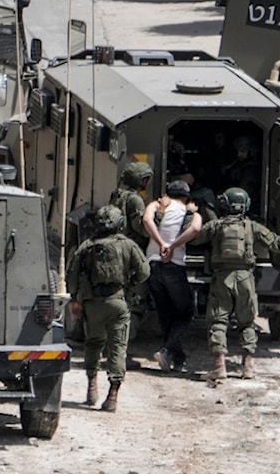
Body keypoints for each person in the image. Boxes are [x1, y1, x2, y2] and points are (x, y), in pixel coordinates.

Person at [192, 187, 280, 380]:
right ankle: (247, 367)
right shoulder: (253, 227)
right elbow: (279, 245)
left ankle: (219, 367)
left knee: (218, 322)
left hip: (222, 279)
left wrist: (192, 215)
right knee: (247, 322)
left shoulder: (216, 226)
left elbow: (194, 239)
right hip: (246, 279)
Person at [67, 205, 150, 412]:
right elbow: (145, 272)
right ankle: (112, 396)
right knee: (117, 348)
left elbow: (72, 276)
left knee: (93, 343)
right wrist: (130, 282)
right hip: (118, 303)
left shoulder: (87, 246)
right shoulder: (127, 245)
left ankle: (91, 387)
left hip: (92, 304)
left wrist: (74, 300)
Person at [142, 180, 202, 373]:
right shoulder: (191, 213)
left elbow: (146, 220)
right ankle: (168, 351)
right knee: (185, 312)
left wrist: (161, 243)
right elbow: (195, 230)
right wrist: (172, 246)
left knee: (165, 312)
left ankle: (176, 358)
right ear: (186, 197)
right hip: (173, 267)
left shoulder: (156, 205)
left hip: (151, 265)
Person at [108, 160, 154, 362]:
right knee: (135, 304)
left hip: (116, 252)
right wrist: (156, 216)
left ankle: (110, 346)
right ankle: (120, 350)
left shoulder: (116, 195)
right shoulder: (135, 200)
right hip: (131, 256)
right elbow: (141, 228)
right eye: (145, 179)